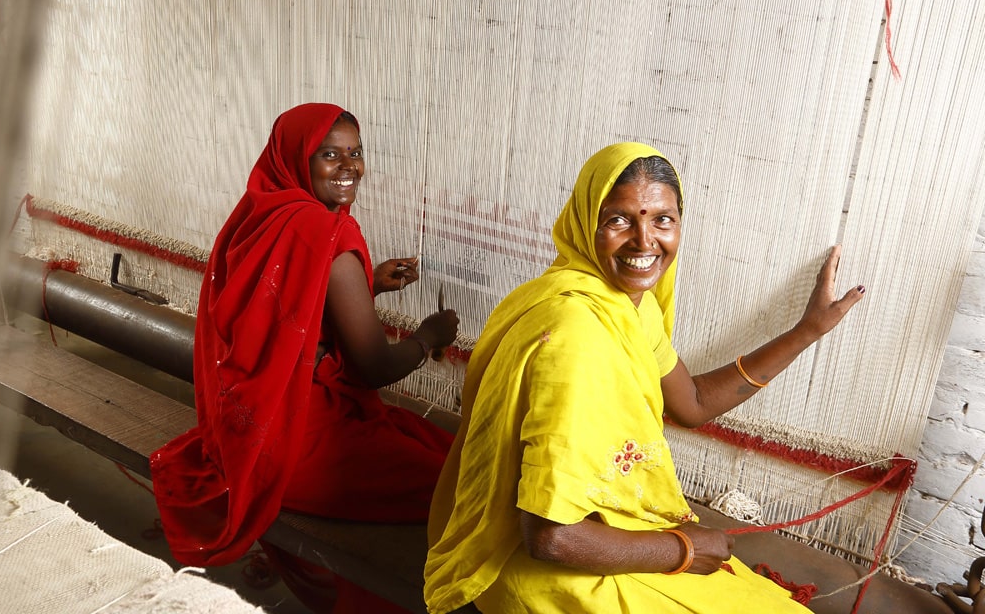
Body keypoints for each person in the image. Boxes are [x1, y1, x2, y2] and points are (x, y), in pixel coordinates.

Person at [424, 142, 865, 613]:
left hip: (602, 538)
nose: (643, 241)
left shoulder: (627, 305)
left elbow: (691, 402)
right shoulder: (576, 336)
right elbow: (551, 538)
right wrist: (683, 549)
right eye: (618, 220)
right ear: (585, 222)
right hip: (544, 573)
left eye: (662, 219)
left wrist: (806, 332)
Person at [150, 102, 459, 612]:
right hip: (301, 448)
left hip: (248, 432)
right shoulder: (329, 234)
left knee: (435, 444)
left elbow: (283, 318)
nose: (349, 168)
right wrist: (428, 337)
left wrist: (364, 286)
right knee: (462, 486)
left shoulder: (256, 214)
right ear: (298, 157)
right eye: (330, 154)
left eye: (355, 153)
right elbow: (373, 368)